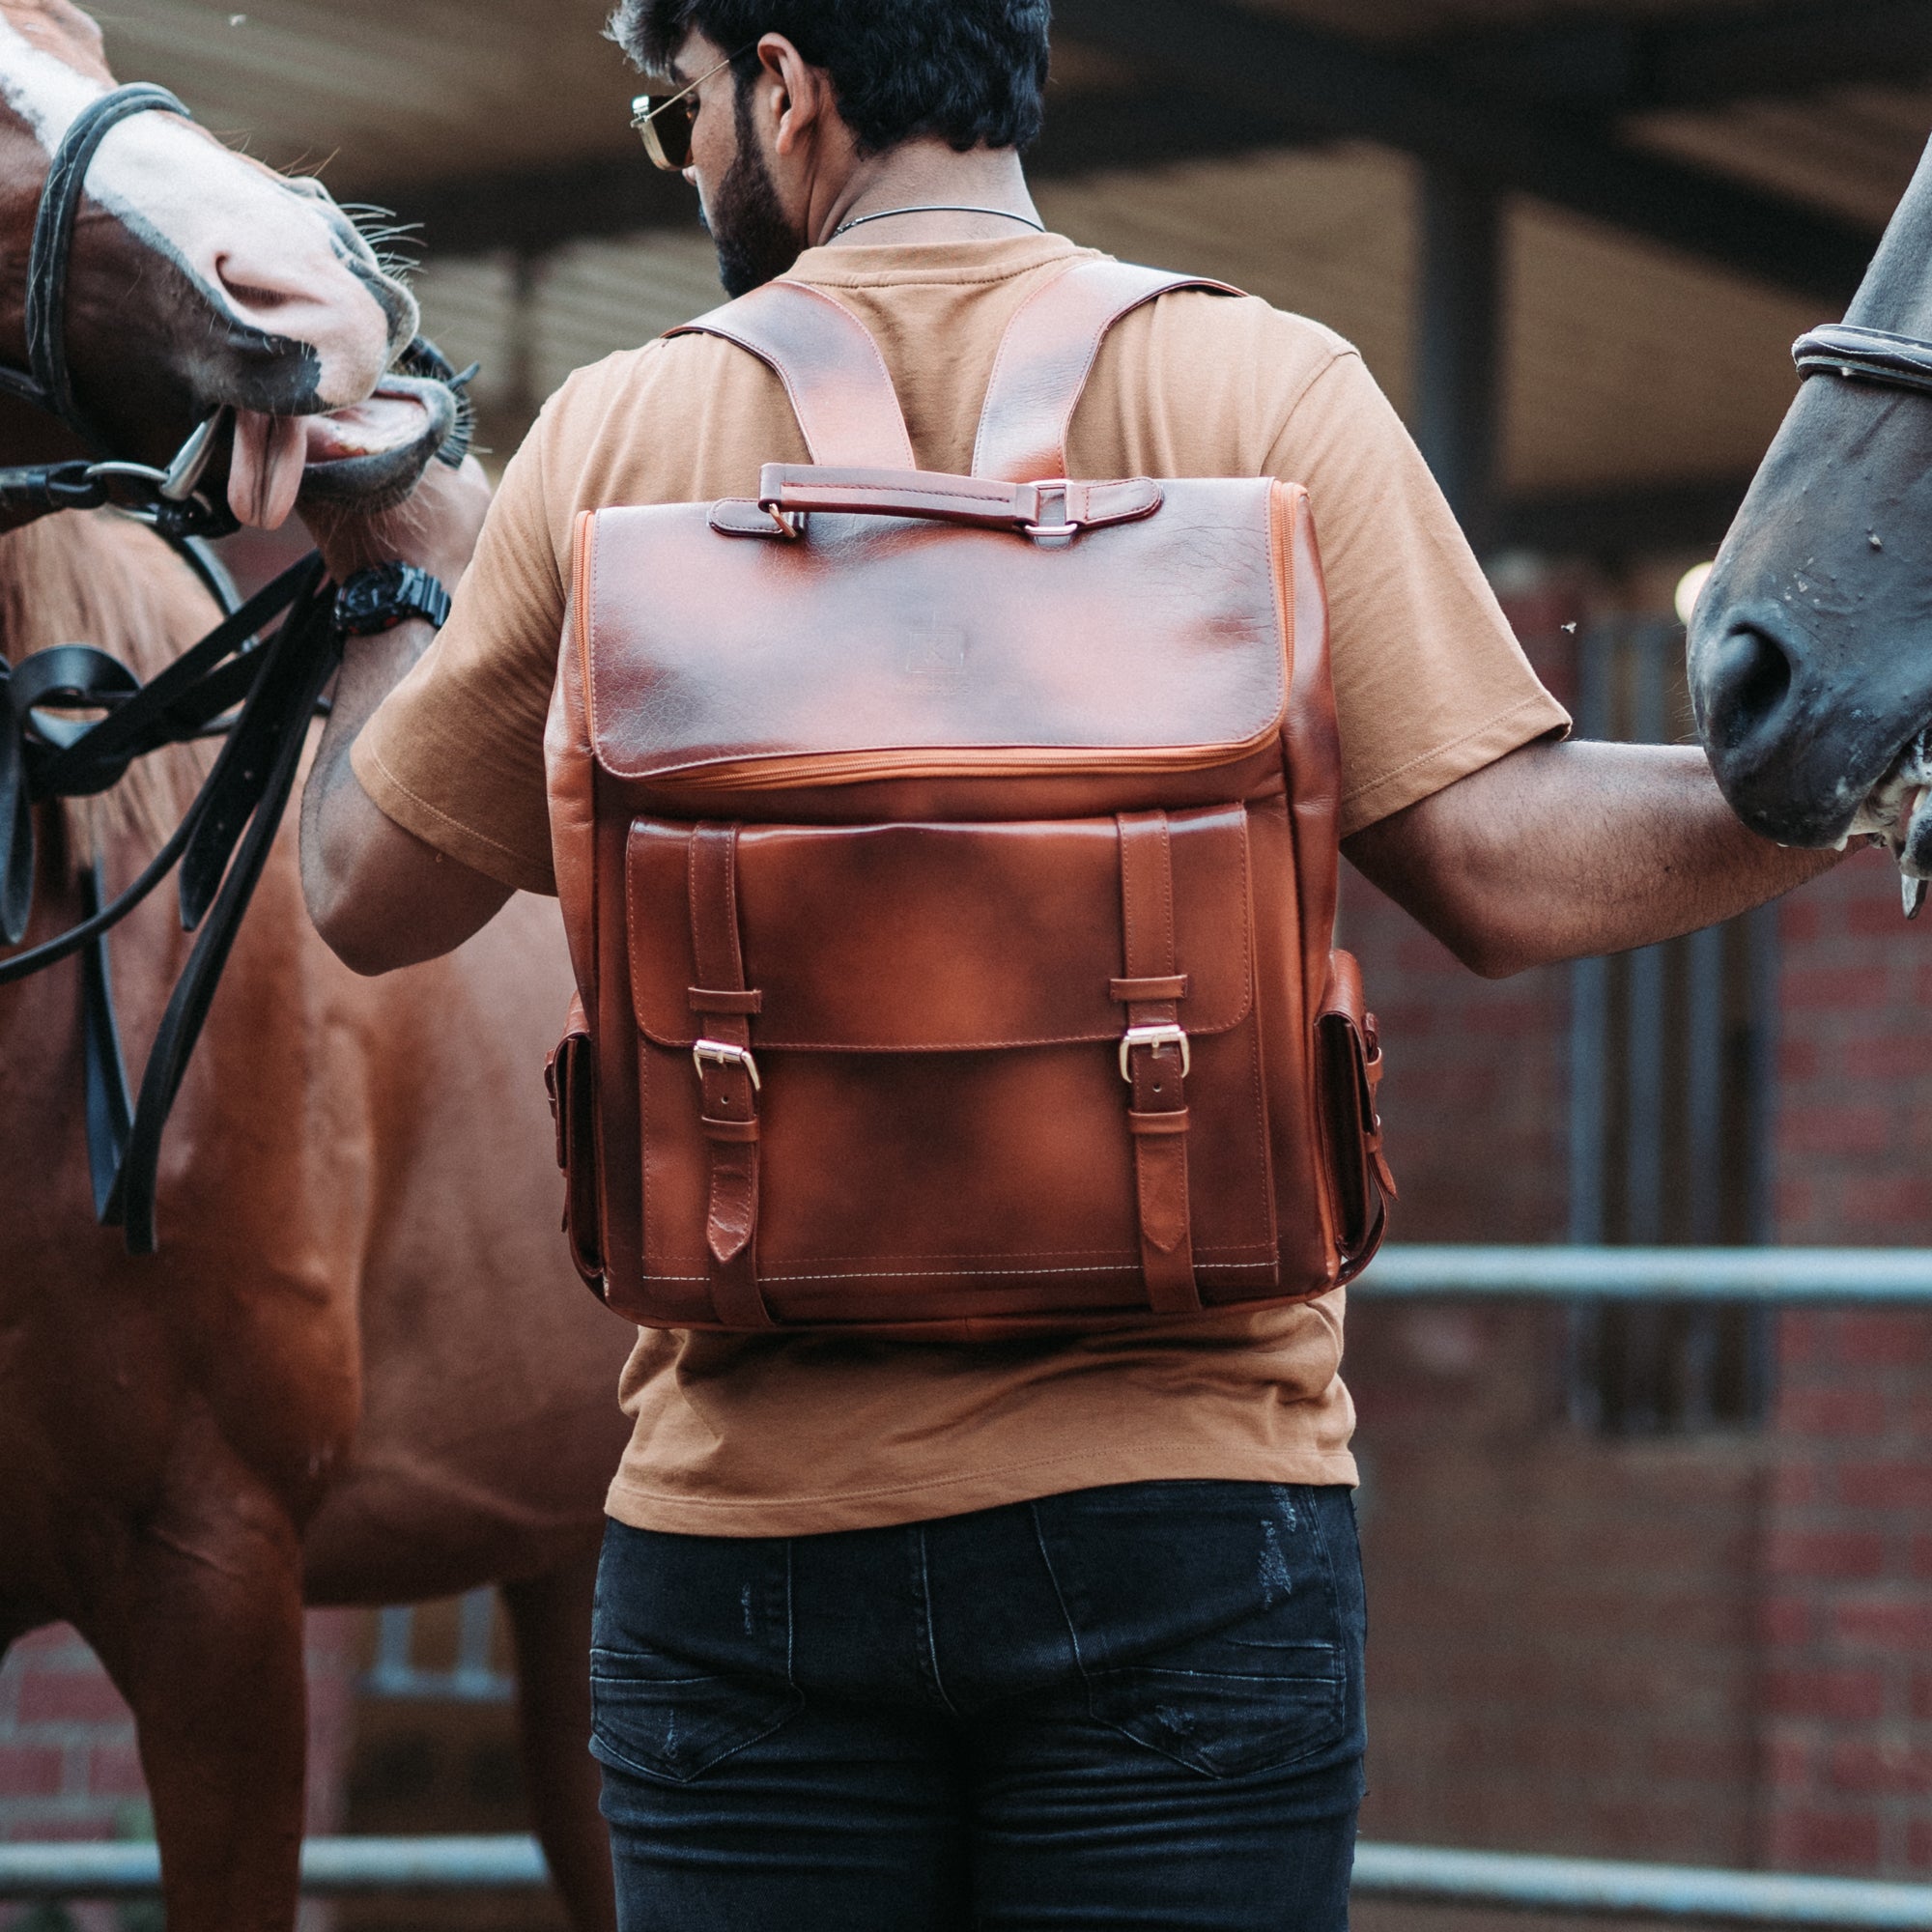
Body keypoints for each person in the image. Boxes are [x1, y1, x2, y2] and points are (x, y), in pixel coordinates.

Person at [298, 3, 1841, 1923]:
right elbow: (1507, 869)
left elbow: (365, 888)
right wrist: (1831, 785)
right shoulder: (1264, 391)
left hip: (750, 1543)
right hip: (1189, 1527)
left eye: (676, 108)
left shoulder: (622, 437)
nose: (687, 157)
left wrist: (381, 562)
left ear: (786, 85)